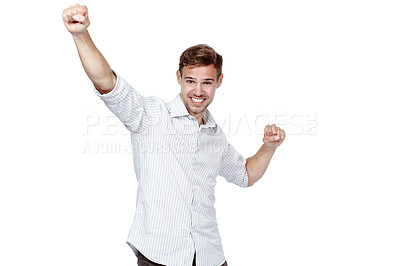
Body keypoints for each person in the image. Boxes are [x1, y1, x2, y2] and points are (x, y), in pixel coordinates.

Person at [62, 4, 286, 266]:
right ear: (179, 77)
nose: (198, 91)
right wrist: (81, 35)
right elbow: (106, 82)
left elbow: (246, 175)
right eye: (190, 80)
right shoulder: (151, 116)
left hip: (209, 257)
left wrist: (269, 147)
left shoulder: (215, 135)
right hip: (160, 257)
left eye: (207, 82)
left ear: (219, 81)